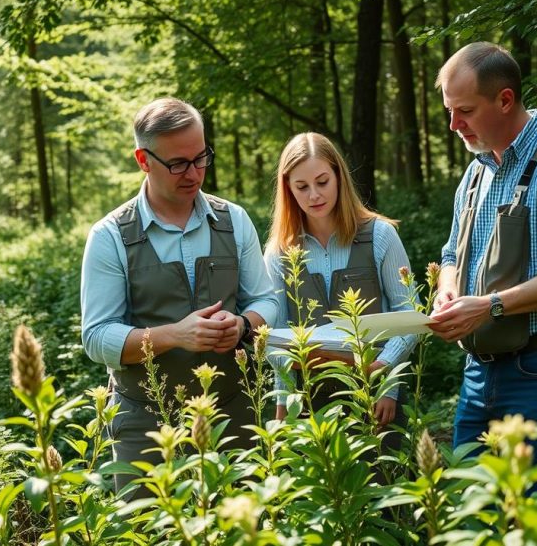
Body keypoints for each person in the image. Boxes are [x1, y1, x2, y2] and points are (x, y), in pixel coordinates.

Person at [80, 97, 279, 492]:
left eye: (201, 157)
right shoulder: (109, 237)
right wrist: (174, 335)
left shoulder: (234, 220)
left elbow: (267, 301)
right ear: (143, 160)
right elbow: (97, 338)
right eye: (178, 164)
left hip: (234, 411)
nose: (194, 173)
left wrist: (241, 325)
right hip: (146, 423)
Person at [428, 42, 537, 460]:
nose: (454, 124)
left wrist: (489, 306)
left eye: (465, 111)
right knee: (472, 510)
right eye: (449, 111)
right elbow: (451, 254)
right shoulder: (475, 173)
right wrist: (447, 292)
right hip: (478, 372)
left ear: (505, 99)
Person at [264, 132, 418, 434]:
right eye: (302, 187)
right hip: (309, 404)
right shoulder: (278, 252)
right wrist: (283, 401)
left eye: (322, 182)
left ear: (339, 177)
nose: (314, 196)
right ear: (288, 189)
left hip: (375, 396)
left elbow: (409, 316)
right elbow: (276, 335)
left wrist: (387, 384)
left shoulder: (381, 235)